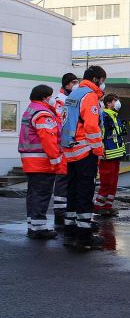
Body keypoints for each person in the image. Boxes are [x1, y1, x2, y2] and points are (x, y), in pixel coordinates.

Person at [60, 65, 106, 251]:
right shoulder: (89, 96)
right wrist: (99, 149)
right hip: (85, 150)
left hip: (70, 150)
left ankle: (70, 231)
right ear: (96, 79)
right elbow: (92, 127)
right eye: (102, 80)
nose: (103, 84)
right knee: (85, 192)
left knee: (72, 191)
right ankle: (84, 236)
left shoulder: (73, 95)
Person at [18, 84, 66, 239]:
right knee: (42, 194)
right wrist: (57, 159)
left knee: (33, 194)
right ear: (45, 97)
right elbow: (48, 139)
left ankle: (33, 225)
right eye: (51, 96)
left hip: (31, 160)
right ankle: (39, 229)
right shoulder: (42, 113)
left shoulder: (30, 109)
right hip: (42, 161)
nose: (52, 99)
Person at [52, 72, 78, 228]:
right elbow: (63, 123)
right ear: (67, 84)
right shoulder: (61, 100)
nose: (76, 85)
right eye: (74, 82)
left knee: (67, 179)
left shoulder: (66, 99)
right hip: (63, 145)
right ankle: (60, 214)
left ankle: (65, 211)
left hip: (67, 144)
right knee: (62, 179)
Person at [94, 93, 126, 217]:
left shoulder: (114, 116)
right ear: (108, 103)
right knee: (106, 182)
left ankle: (108, 206)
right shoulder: (104, 116)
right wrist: (101, 152)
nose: (117, 102)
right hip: (107, 155)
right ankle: (98, 206)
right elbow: (100, 135)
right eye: (115, 100)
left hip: (116, 154)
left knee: (113, 183)